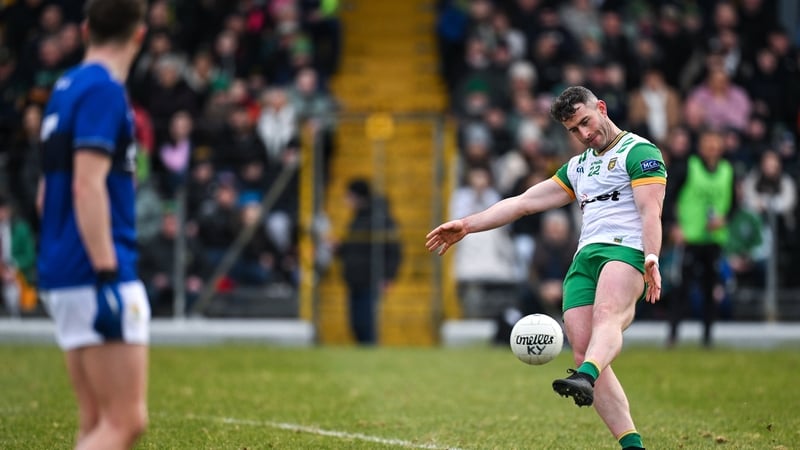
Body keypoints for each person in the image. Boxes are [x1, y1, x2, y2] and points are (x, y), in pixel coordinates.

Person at [426, 86, 665, 450]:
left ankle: (584, 377)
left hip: (627, 251)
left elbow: (651, 210)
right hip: (585, 258)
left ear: (600, 108)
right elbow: (523, 203)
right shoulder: (578, 166)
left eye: (586, 122)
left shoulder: (640, 151)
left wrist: (652, 256)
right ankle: (631, 444)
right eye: (573, 130)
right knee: (584, 352)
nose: (584, 134)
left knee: (606, 317)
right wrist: (468, 224)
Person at [36, 1, 150, 449]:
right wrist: (106, 272)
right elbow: (88, 186)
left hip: (64, 265)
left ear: (86, 29)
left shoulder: (64, 87)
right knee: (124, 422)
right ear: (139, 34)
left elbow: (49, 194)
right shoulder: (104, 89)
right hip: (95, 268)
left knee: (96, 421)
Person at [665, 129, 736, 348]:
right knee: (682, 288)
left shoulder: (727, 170)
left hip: (714, 239)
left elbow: (734, 203)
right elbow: (668, 197)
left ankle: (707, 338)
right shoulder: (688, 167)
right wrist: (674, 226)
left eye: (716, 142)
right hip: (689, 238)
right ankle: (673, 336)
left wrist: (724, 219)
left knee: (710, 289)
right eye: (708, 142)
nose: (712, 147)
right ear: (700, 145)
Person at [338, 179, 402, 345]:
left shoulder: (380, 219)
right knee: (357, 323)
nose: (346, 200)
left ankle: (369, 352)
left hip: (371, 279)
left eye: (349, 196)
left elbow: (393, 251)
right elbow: (353, 248)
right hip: (354, 279)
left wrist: (389, 277)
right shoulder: (357, 219)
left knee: (366, 323)